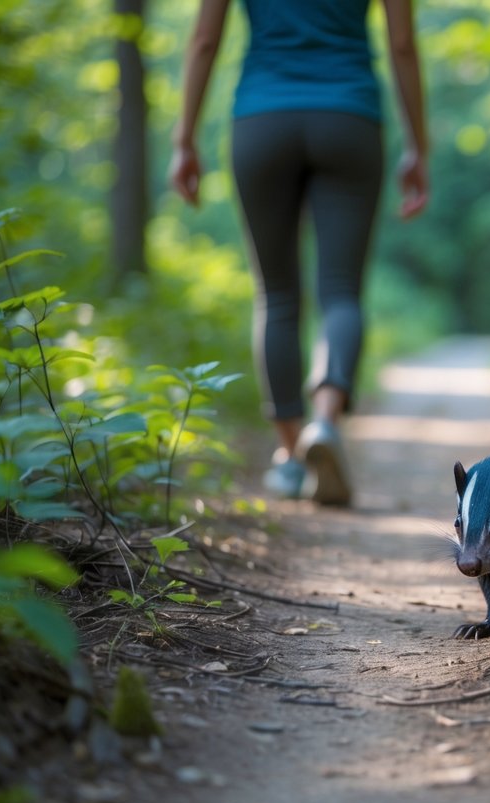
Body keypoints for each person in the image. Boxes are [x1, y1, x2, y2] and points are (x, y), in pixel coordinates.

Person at [168, 0, 429, 506]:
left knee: (277, 295)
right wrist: (418, 146)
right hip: (350, 118)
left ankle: (290, 456)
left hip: (262, 118)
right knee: (340, 291)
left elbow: (203, 41)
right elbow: (402, 44)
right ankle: (325, 423)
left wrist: (185, 140)